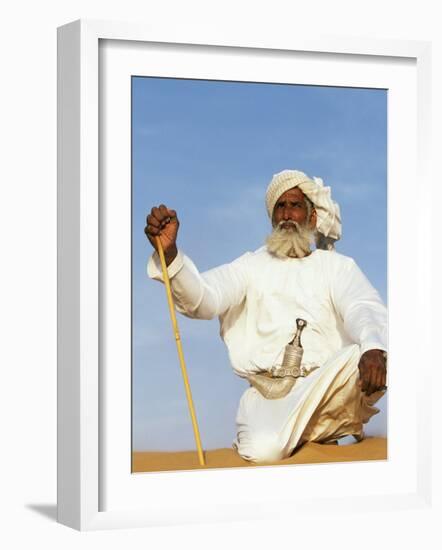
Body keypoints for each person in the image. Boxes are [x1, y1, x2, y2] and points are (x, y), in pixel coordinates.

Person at [144, 169, 387, 463]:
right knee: (264, 450)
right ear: (272, 218)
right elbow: (204, 298)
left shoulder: (336, 267)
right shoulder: (250, 266)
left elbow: (362, 306)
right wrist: (170, 255)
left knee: (382, 348)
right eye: (280, 207)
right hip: (272, 396)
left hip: (327, 385)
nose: (286, 214)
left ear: (311, 217)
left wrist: (374, 347)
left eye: (295, 206)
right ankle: (305, 434)